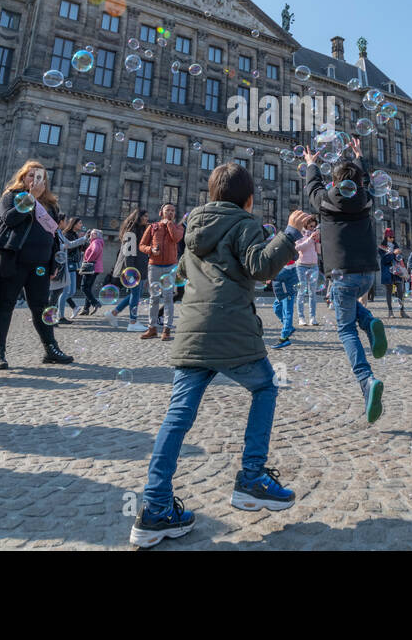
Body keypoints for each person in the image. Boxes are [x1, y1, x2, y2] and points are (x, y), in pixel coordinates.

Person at [129, 164, 311, 548]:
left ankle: (154, 508)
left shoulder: (193, 228)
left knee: (177, 417)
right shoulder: (245, 223)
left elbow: (179, 274)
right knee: (264, 388)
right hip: (232, 334)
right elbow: (261, 267)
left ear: (211, 195)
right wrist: (290, 232)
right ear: (248, 199)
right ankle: (251, 478)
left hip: (193, 335)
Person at [304, 137, 388, 423]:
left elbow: (313, 188)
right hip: (367, 274)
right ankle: (370, 322)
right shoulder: (366, 199)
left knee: (345, 329)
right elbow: (364, 184)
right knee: (352, 308)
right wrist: (360, 157)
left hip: (341, 274)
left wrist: (311, 164)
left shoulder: (326, 202)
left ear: (335, 183)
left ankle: (367, 381)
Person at [0, 162, 72, 369]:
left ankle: (51, 349)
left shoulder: (51, 205)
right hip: (14, 260)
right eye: (30, 175)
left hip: (40, 264)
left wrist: (53, 264)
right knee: (6, 305)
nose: (34, 179)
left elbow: (54, 237)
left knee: (41, 308)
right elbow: (9, 220)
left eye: (39, 176)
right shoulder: (11, 196)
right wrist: (31, 197)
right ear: (23, 177)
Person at [139, 202, 183, 341]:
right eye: (167, 210)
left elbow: (176, 238)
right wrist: (150, 250)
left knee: (168, 297)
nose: (170, 212)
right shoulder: (152, 227)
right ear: (161, 212)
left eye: (172, 211)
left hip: (170, 266)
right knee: (154, 298)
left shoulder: (178, 227)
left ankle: (167, 330)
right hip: (154, 266)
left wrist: (168, 224)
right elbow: (141, 245)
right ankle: (152, 328)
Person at [106, 208, 149, 328]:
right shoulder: (131, 231)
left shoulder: (140, 230)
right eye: (145, 216)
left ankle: (113, 313)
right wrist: (130, 272)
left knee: (135, 294)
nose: (147, 218)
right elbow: (128, 254)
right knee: (135, 295)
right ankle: (133, 322)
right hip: (133, 269)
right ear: (138, 217)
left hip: (138, 268)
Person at [294, 225, 322, 325]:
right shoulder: (298, 234)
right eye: (311, 225)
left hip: (314, 266)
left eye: (314, 226)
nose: (312, 227)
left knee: (312, 293)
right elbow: (298, 248)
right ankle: (301, 317)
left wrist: (317, 241)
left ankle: (312, 317)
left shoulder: (314, 236)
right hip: (301, 266)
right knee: (301, 292)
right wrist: (310, 239)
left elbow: (318, 252)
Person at [272, 257, 299, 347]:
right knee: (276, 307)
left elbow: (282, 274)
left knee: (287, 312)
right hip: (280, 291)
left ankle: (284, 338)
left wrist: (270, 275)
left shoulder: (289, 264)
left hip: (287, 290)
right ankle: (288, 328)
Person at [76, 229, 104, 315]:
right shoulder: (98, 241)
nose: (91, 235)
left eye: (94, 234)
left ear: (98, 235)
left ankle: (95, 303)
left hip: (91, 268)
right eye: (91, 234)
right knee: (88, 288)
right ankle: (86, 308)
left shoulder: (96, 242)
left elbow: (95, 251)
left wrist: (88, 260)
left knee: (84, 287)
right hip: (95, 268)